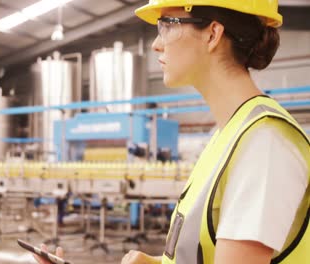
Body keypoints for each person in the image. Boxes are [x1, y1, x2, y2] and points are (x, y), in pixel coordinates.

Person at [34, 0, 310, 263]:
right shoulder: (228, 135)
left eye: (167, 25)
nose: (156, 44)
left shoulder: (264, 144)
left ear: (212, 34)